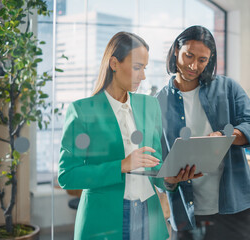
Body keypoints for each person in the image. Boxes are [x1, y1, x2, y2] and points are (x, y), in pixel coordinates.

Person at [58, 31, 197, 240]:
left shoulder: (149, 105)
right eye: (137, 68)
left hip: (147, 215)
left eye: (144, 68)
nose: (143, 76)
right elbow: (67, 175)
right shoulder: (82, 111)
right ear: (114, 63)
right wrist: (121, 165)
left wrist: (169, 179)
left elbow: (155, 163)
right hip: (104, 218)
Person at [156, 25, 250, 240]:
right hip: (186, 213)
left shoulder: (228, 88)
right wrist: (169, 180)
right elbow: (156, 164)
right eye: (189, 55)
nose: (194, 65)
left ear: (210, 60)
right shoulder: (158, 102)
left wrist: (228, 136)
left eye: (203, 60)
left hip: (234, 208)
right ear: (176, 50)